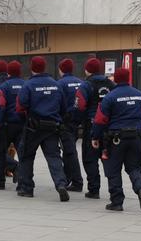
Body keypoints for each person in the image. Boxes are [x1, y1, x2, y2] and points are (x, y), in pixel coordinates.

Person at [91, 68, 141, 211]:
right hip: (136, 137)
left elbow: (100, 120)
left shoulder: (110, 97)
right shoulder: (140, 95)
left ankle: (117, 202)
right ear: (128, 79)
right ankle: (140, 187)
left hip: (116, 138)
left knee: (113, 170)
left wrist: (95, 137)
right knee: (133, 167)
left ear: (116, 80)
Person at [16, 56, 69, 202]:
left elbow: (20, 107)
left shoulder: (28, 85)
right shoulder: (56, 85)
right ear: (44, 67)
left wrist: (25, 120)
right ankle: (61, 184)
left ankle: (26, 188)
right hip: (52, 127)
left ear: (31, 67)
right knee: (53, 157)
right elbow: (63, 107)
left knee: (26, 156)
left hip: (33, 127)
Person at [75, 57, 115, 199]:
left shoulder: (86, 85)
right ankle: (113, 188)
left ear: (87, 70)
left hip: (92, 125)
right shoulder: (111, 84)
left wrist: (77, 121)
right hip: (109, 126)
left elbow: (79, 105)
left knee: (90, 158)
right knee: (108, 158)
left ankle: (94, 189)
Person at [0, 60, 25, 190]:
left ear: (8, 72)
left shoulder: (4, 86)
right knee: (23, 154)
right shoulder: (25, 85)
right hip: (21, 125)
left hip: (6, 125)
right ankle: (23, 183)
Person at [57, 58, 84, 192]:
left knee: (70, 152)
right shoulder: (81, 83)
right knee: (69, 151)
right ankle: (67, 179)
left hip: (65, 122)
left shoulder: (60, 84)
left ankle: (77, 181)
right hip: (78, 122)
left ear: (61, 70)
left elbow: (57, 103)